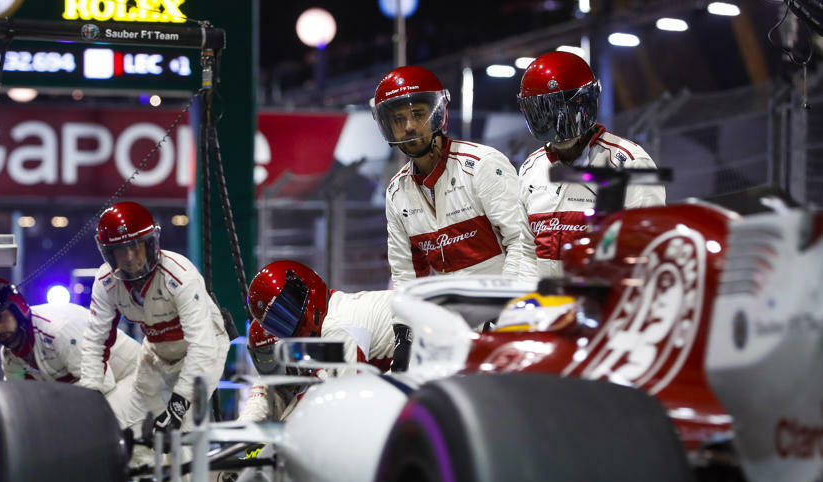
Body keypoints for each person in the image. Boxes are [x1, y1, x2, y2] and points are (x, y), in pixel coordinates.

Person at [371, 65, 537, 289]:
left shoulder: (482, 165)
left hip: (502, 309)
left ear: (438, 113)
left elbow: (522, 242)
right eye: (398, 119)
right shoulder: (396, 192)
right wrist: (406, 321)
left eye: (418, 114)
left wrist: (507, 306)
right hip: (452, 317)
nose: (409, 126)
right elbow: (405, 273)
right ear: (387, 127)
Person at [79, 201, 230, 440]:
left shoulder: (180, 276)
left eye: (136, 246)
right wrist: (89, 393)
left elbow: (202, 346)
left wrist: (178, 406)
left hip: (204, 349)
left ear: (150, 243)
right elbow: (95, 342)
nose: (130, 257)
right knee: (123, 424)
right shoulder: (106, 282)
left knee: (181, 437)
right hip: (156, 351)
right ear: (108, 253)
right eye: (120, 249)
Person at [517, 51, 666, 278]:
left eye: (565, 112)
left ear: (586, 102)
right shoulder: (530, 169)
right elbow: (527, 252)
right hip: (547, 307)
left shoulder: (631, 164)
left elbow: (647, 250)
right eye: (545, 112)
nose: (558, 128)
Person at [0, 276, 140, 428]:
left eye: (0, 317)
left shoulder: (58, 330)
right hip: (103, 391)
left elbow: (101, 386)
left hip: (133, 377)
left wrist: (50, 409)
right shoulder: (11, 357)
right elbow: (18, 403)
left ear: (16, 307)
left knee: (105, 427)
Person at [246, 260, 397, 371]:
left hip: (415, 347)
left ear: (304, 284)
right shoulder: (336, 305)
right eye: (278, 322)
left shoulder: (337, 327)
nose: (290, 321)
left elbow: (345, 399)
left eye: (290, 304)